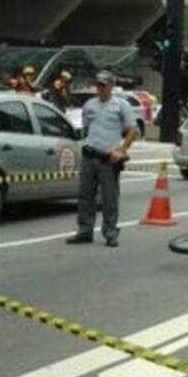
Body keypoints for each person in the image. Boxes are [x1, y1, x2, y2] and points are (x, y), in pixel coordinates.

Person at [66, 70, 138, 248]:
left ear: (111, 86)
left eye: (103, 85)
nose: (99, 88)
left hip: (108, 158)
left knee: (109, 198)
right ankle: (84, 231)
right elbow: (87, 128)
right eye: (97, 85)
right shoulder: (89, 105)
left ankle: (110, 232)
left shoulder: (121, 105)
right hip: (90, 155)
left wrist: (121, 150)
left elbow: (132, 131)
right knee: (85, 196)